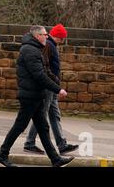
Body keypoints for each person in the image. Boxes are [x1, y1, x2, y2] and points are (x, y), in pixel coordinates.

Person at [0, 25, 75, 167]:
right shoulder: (30, 51)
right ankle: (2, 155)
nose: (47, 36)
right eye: (45, 34)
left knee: (43, 128)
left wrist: (56, 82)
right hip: (29, 96)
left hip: (36, 95)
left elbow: (45, 70)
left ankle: (55, 160)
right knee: (19, 126)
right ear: (37, 36)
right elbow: (39, 75)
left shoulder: (35, 49)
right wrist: (57, 89)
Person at [24, 24, 79, 155]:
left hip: (52, 86)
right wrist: (54, 84)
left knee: (54, 115)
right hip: (49, 86)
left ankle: (62, 145)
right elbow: (45, 67)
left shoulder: (51, 45)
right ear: (58, 36)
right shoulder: (48, 46)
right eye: (61, 38)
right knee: (42, 115)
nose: (62, 40)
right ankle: (30, 142)